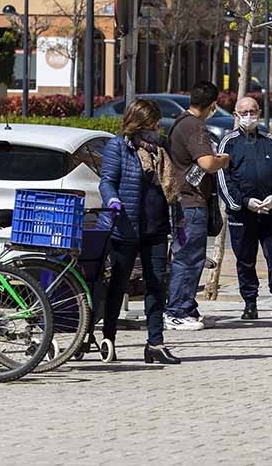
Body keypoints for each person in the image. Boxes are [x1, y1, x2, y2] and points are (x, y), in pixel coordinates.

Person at [98, 99, 181, 363]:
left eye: (156, 123)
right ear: (138, 123)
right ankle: (109, 338)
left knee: (156, 285)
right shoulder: (119, 146)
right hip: (126, 226)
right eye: (151, 123)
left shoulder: (162, 148)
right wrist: (112, 200)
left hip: (156, 227)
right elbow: (107, 181)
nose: (156, 128)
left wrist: (178, 221)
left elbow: (171, 185)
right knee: (118, 284)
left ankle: (155, 343)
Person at [217, 97, 272, 321]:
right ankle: (250, 304)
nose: (249, 116)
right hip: (243, 214)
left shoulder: (271, 141)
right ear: (236, 115)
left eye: (252, 111)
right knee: (245, 260)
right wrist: (244, 202)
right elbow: (223, 179)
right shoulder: (228, 143)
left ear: (259, 113)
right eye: (244, 112)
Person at [165, 81, 229, 330]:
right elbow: (207, 163)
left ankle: (187, 307)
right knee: (188, 257)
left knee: (190, 255)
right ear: (213, 105)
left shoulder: (181, 122)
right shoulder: (194, 126)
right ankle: (177, 311)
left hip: (185, 200)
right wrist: (223, 160)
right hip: (190, 203)